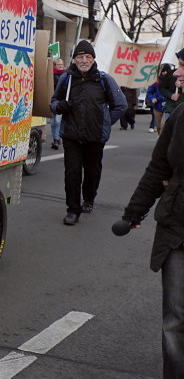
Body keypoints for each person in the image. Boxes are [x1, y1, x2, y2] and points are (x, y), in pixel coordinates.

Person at [115, 48, 184, 378]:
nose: (178, 75)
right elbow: (159, 168)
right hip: (177, 231)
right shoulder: (180, 115)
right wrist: (133, 214)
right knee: (175, 319)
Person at [50, 40, 126, 225]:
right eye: (80, 57)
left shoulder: (103, 79)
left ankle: (89, 198)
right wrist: (60, 106)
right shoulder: (66, 79)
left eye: (88, 57)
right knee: (72, 173)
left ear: (93, 59)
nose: (84, 60)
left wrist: (105, 122)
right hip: (72, 135)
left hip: (95, 136)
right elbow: (53, 102)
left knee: (92, 172)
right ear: (74, 59)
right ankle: (73, 210)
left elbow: (121, 105)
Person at [50, 58, 65, 149]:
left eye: (61, 64)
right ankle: (56, 139)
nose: (60, 66)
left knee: (58, 121)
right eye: (58, 64)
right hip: (52, 101)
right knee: (52, 122)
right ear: (55, 66)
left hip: (61, 101)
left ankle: (56, 138)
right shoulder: (51, 75)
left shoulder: (66, 75)